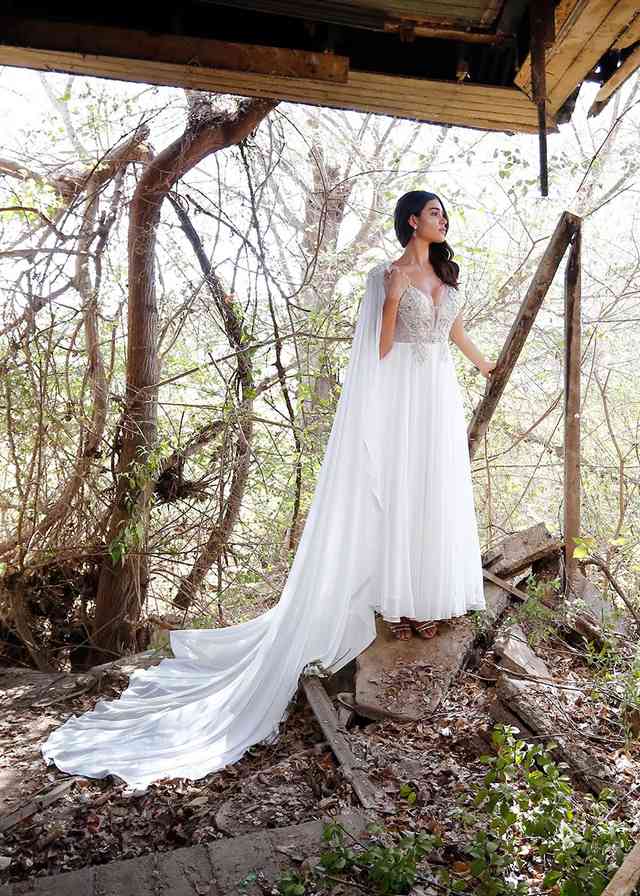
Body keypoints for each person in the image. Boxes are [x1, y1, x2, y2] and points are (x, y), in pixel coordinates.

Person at [41, 190, 496, 790]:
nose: (444, 220)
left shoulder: (444, 274)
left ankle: (426, 600)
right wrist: (389, 302)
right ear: (413, 220)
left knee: (430, 497)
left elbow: (454, 332)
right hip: (402, 398)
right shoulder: (385, 277)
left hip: (437, 397)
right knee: (399, 495)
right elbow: (379, 351)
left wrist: (489, 366)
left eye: (445, 213)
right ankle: (398, 603)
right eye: (436, 212)